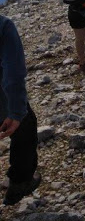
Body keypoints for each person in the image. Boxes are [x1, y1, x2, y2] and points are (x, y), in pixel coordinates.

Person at [0, 15, 41, 206]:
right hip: (3, 101)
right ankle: (20, 183)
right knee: (25, 127)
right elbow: (13, 72)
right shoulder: (3, 26)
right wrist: (16, 111)